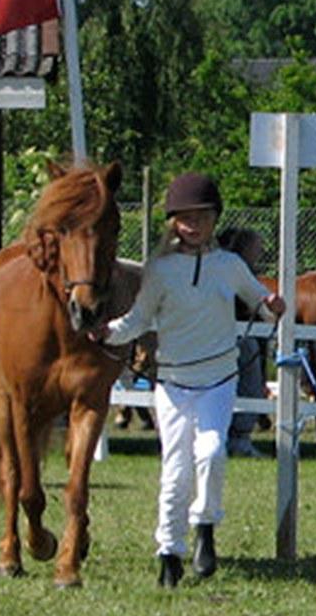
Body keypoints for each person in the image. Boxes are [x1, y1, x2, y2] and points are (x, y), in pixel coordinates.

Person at [90, 173, 285, 588]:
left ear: (215, 219)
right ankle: (169, 552)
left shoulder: (229, 266)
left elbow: (260, 304)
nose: (193, 225)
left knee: (212, 452)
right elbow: (139, 319)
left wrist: (272, 307)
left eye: (201, 217)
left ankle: (206, 527)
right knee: (175, 469)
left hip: (217, 378)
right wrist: (109, 332)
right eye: (184, 218)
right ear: (173, 222)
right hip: (173, 383)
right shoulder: (160, 270)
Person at [217, 227, 270, 458]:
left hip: (236, 335)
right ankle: (239, 438)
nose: (260, 252)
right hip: (238, 337)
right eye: (256, 247)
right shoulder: (238, 271)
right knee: (248, 385)